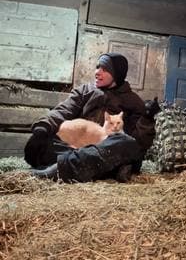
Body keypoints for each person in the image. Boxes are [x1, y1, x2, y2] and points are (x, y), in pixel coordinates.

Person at [24, 52, 160, 183]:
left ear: (117, 74)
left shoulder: (133, 101)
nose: (97, 72)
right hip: (79, 148)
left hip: (109, 151)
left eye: (105, 69)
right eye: (97, 67)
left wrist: (147, 120)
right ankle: (101, 169)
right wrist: (43, 127)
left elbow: (139, 143)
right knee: (40, 145)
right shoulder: (85, 91)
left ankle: (56, 170)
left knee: (126, 143)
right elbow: (64, 110)